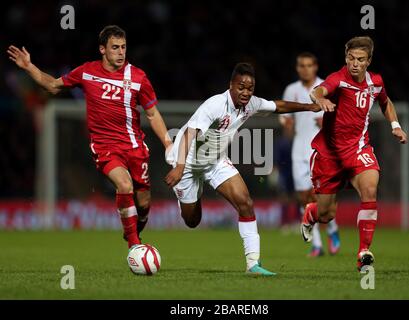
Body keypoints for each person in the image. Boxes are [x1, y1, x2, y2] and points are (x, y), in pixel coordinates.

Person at [7, 25, 172, 249]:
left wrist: (168, 143)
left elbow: (152, 114)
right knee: (124, 185)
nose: (121, 52)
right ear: (102, 49)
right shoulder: (87, 72)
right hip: (105, 147)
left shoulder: (138, 77)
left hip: (134, 146)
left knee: (143, 205)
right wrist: (29, 67)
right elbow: (53, 86)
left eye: (123, 47)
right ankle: (134, 245)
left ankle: (134, 229)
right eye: (115, 47)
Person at [164, 62, 322, 276]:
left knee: (245, 202)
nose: (246, 92)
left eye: (250, 88)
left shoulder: (251, 104)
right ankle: (194, 194)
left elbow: (278, 106)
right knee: (192, 221)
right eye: (241, 87)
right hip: (187, 163)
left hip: (215, 161)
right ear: (231, 85)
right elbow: (188, 134)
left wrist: (308, 107)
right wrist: (180, 167)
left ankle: (253, 264)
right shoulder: (215, 104)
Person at [301, 36, 408, 270]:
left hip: (358, 149)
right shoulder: (338, 80)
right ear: (345, 58)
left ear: (368, 61)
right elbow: (318, 90)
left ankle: (363, 253)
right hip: (329, 155)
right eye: (351, 58)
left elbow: (385, 101)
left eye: (360, 59)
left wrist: (395, 126)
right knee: (326, 214)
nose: (355, 64)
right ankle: (311, 214)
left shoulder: (376, 82)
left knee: (370, 188)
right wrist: (321, 100)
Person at [280, 52, 341, 257]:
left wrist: (328, 122)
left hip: (322, 151)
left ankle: (332, 230)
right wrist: (287, 125)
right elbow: (286, 119)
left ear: (315, 67)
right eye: (301, 65)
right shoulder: (291, 90)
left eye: (309, 65)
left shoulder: (328, 86)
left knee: (320, 198)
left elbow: (341, 118)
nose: (305, 69)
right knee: (303, 199)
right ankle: (317, 245)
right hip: (299, 150)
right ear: (297, 68)